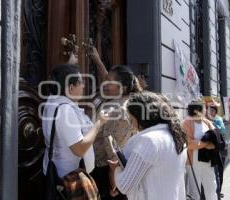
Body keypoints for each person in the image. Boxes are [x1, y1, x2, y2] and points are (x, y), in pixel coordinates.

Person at [108, 92, 187, 200]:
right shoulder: (174, 136)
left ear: (140, 117)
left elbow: (125, 185)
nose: (130, 122)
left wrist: (116, 168)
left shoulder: (147, 141)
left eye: (131, 117)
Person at [89, 47, 142, 200]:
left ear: (122, 87)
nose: (104, 83)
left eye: (109, 82)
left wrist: (114, 183)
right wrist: (97, 61)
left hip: (108, 174)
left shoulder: (118, 109)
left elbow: (113, 151)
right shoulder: (123, 101)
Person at [42, 64, 107, 178]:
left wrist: (70, 63)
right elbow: (79, 149)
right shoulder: (65, 110)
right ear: (71, 88)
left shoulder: (52, 101)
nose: (83, 85)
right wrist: (99, 123)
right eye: (80, 82)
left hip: (59, 172)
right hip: (69, 179)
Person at [181, 100, 218, 200]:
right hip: (193, 162)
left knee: (211, 187)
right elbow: (189, 143)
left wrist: (213, 144)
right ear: (197, 110)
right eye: (204, 107)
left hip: (207, 160)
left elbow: (216, 138)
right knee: (195, 191)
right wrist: (206, 144)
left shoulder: (207, 122)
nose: (206, 110)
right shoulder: (186, 123)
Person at [207, 105, 226, 199]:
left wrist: (212, 124)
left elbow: (222, 130)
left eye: (212, 110)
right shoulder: (206, 120)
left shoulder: (218, 119)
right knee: (213, 172)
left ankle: (219, 191)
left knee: (220, 170)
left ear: (215, 112)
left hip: (219, 148)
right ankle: (215, 191)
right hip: (210, 149)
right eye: (209, 110)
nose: (210, 112)